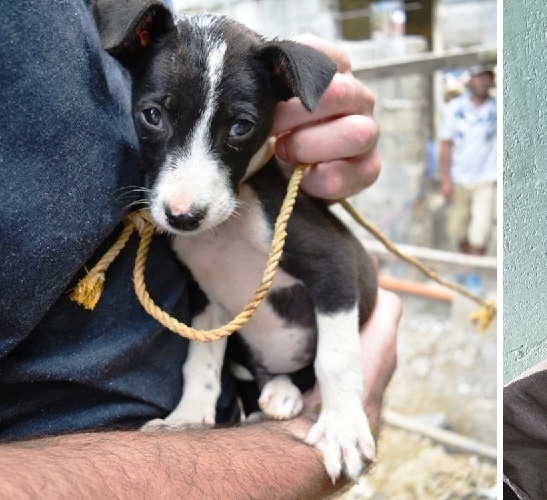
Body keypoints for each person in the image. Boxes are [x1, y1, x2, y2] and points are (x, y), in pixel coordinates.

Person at [0, 1, 397, 497]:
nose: (182, 203)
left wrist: (343, 398)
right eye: (154, 116)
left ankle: (280, 386)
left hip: (253, 403)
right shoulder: (138, 40)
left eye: (238, 127)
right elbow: (208, 301)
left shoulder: (255, 203)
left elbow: (333, 264)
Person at [438, 64, 498, 256]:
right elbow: (445, 145)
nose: (482, 81)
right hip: (459, 178)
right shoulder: (455, 109)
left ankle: (475, 273)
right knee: (457, 229)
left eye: (487, 76)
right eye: (478, 77)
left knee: (481, 229)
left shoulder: (497, 108)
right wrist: (446, 179)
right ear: (470, 79)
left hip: (487, 179)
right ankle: (468, 266)